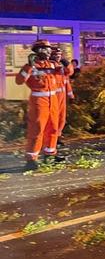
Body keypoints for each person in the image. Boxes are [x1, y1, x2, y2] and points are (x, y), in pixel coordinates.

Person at [15, 40, 61, 170]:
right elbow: (19, 81)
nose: (47, 52)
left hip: (53, 100)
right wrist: (28, 67)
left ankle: (50, 154)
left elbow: (67, 73)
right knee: (37, 130)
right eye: (44, 49)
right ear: (37, 51)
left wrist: (63, 63)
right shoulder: (30, 66)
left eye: (48, 49)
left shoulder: (52, 65)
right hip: (39, 102)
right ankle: (31, 160)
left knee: (53, 128)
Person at [50, 47, 74, 151]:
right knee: (53, 119)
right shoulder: (49, 65)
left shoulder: (62, 68)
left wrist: (71, 95)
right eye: (56, 55)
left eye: (59, 55)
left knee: (61, 119)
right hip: (53, 97)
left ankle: (58, 136)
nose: (58, 57)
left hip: (62, 98)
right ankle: (52, 139)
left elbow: (68, 76)